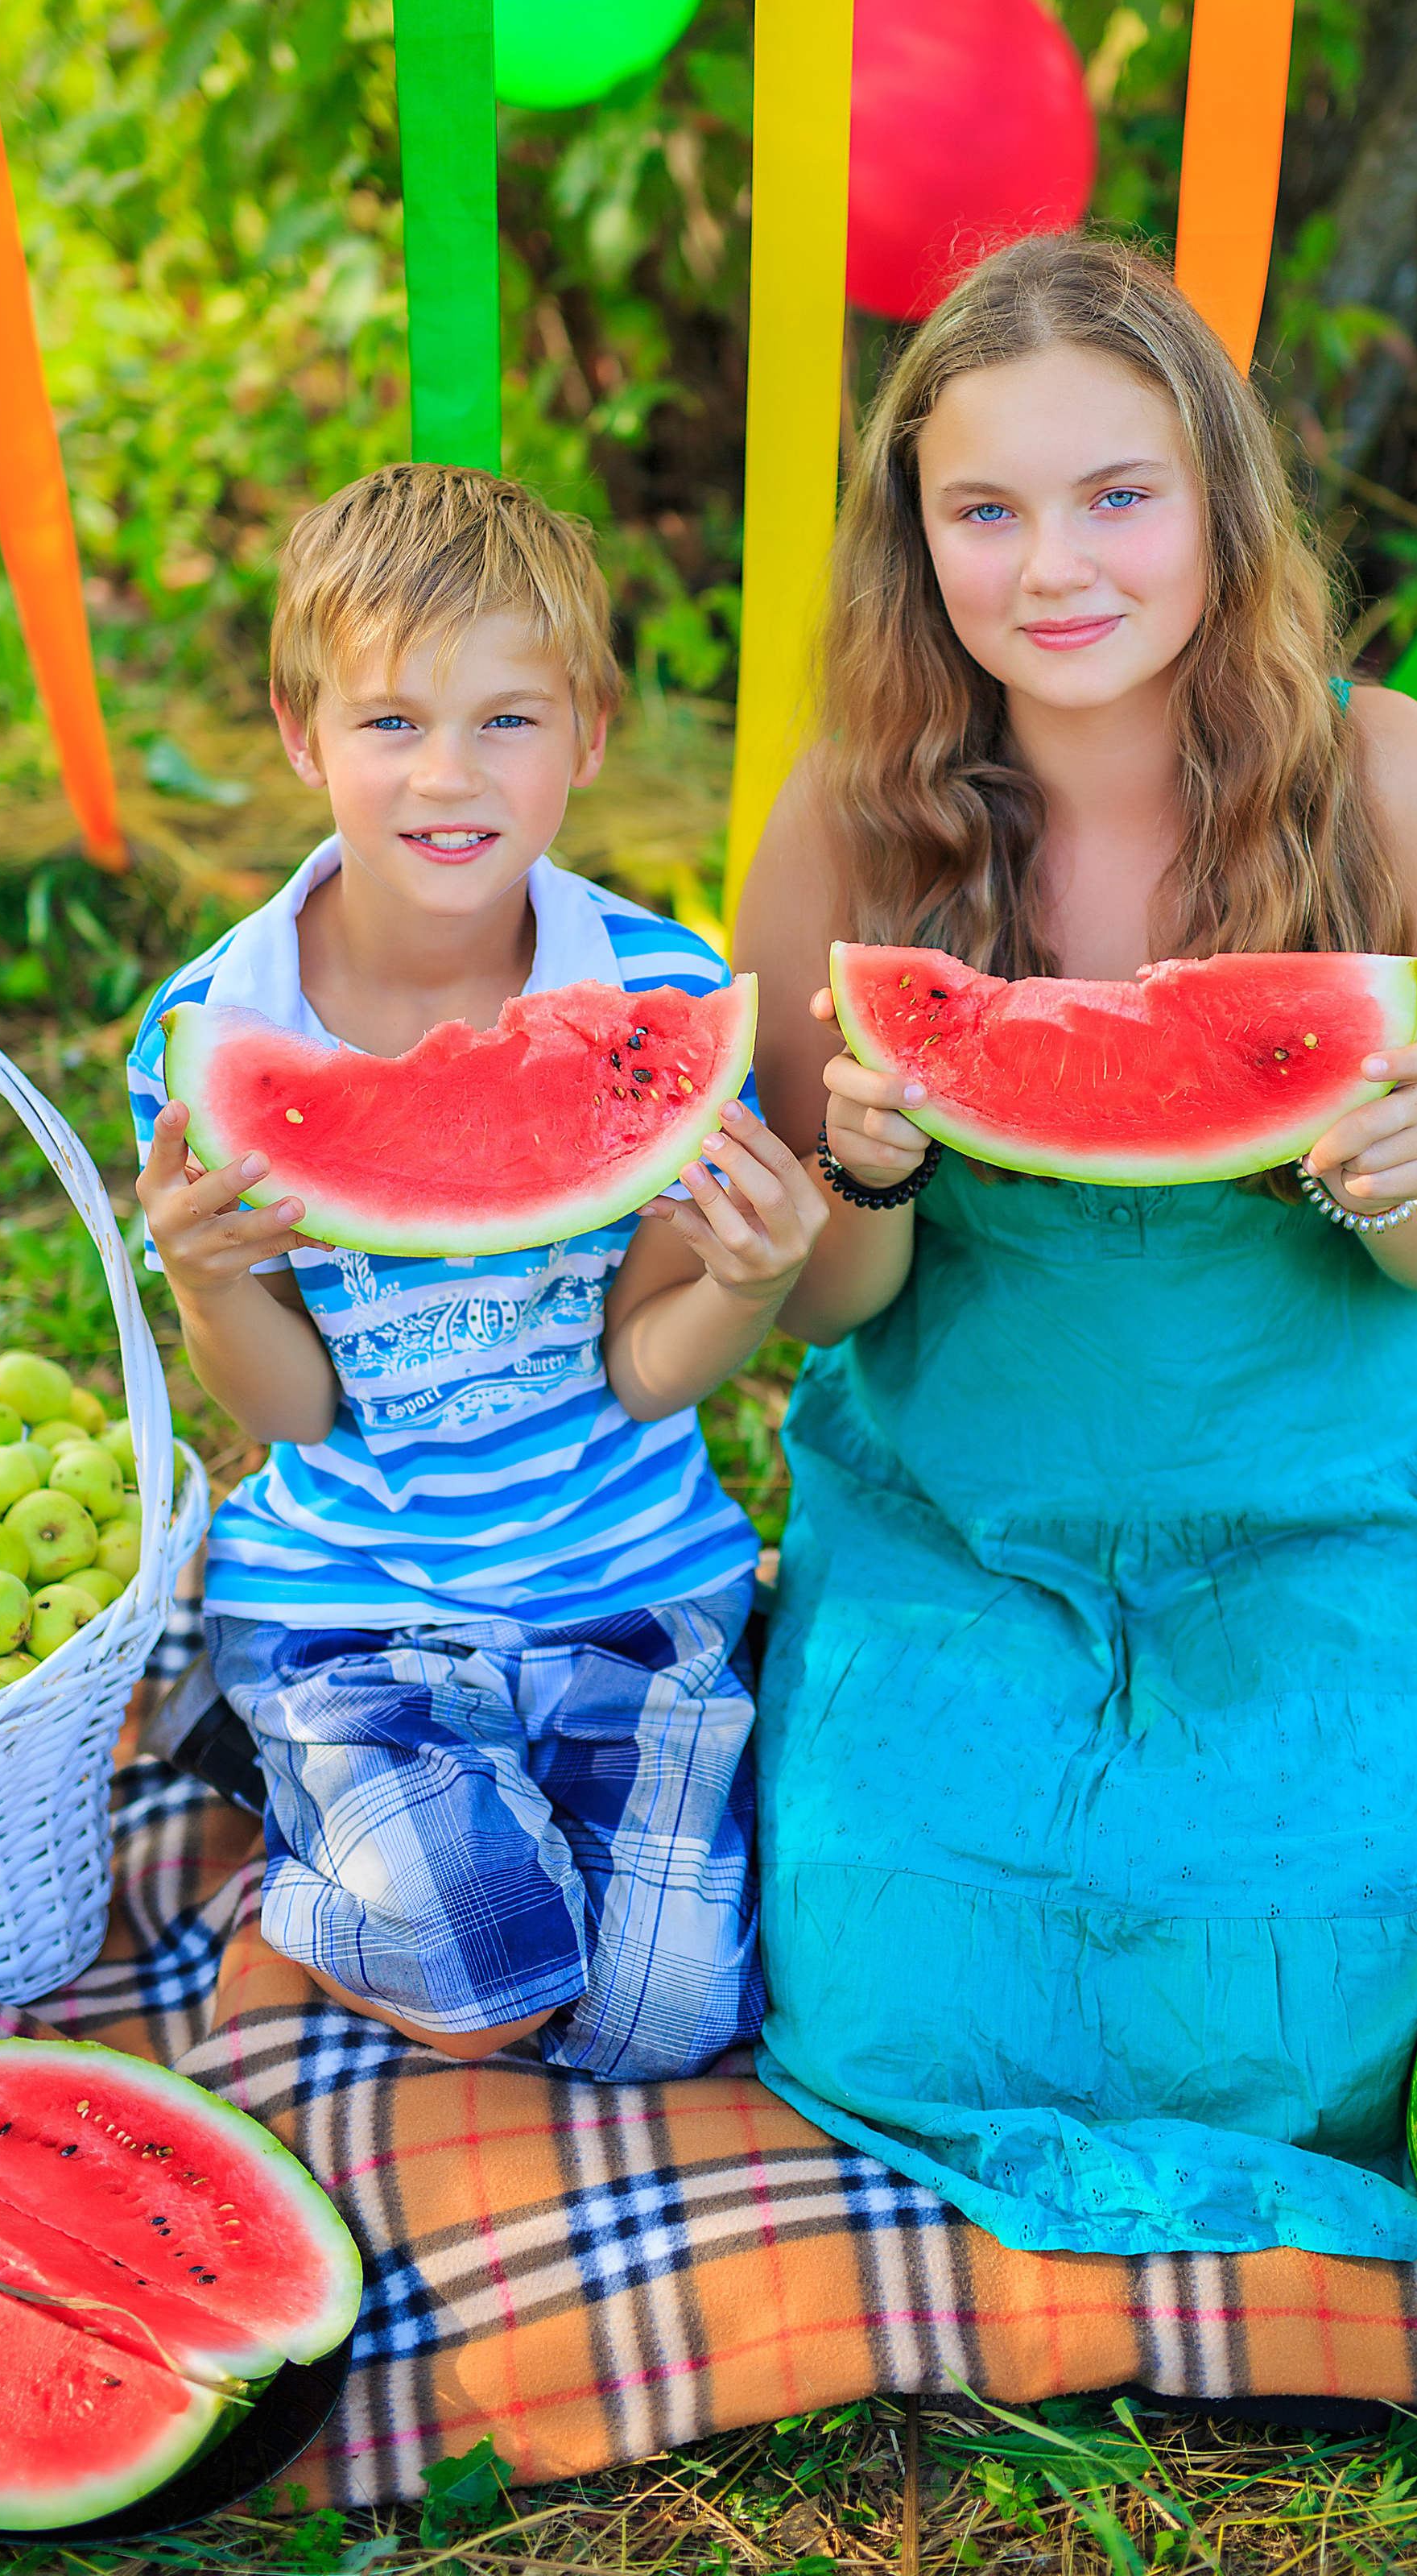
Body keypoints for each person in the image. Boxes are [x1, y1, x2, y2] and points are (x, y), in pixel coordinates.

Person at [734, 234, 1417, 2260]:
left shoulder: (1383, 776)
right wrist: (856, 1173)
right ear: (916, 540)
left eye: (1117, 495)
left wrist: (1400, 1173)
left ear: (1219, 500)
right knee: (885, 1978)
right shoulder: (848, 822)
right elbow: (828, 1306)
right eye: (986, 510)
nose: (1055, 567)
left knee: (1292, 1995)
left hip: (1320, 1513)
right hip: (963, 1513)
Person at [130, 461, 826, 2070]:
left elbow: (642, 1366)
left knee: (662, 2018)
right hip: (348, 1604)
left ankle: (442, 1839)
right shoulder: (215, 1030)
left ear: (585, 739)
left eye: (507, 720)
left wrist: (744, 1280)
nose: (449, 774)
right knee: (488, 1972)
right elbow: (297, 1413)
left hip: (631, 1586)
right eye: (390, 723)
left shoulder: (663, 995)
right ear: (303, 738)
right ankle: (290, 1868)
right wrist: (210, 1280)